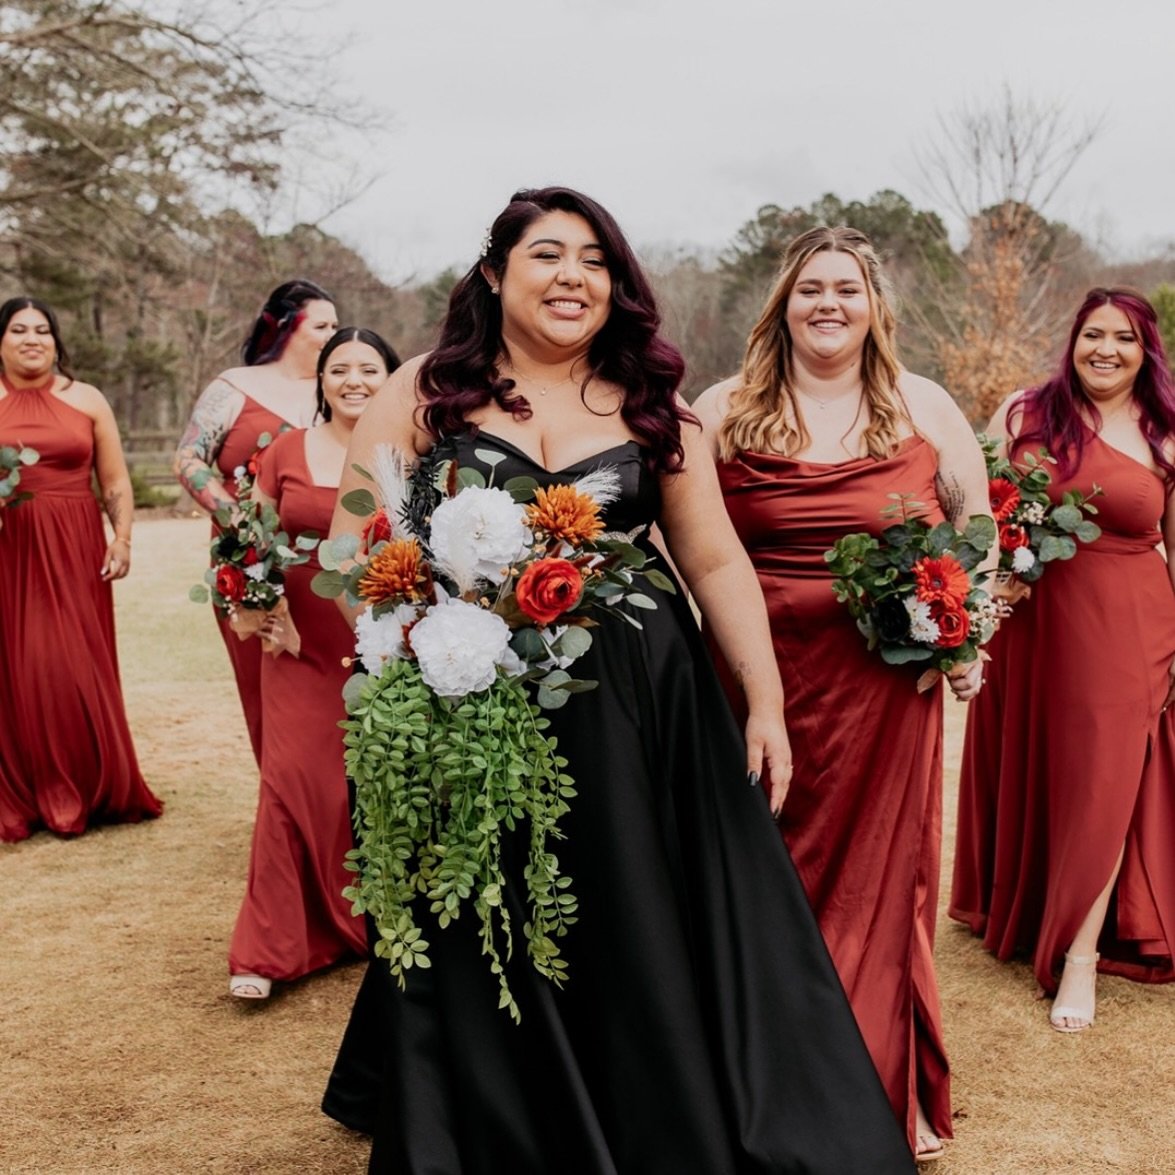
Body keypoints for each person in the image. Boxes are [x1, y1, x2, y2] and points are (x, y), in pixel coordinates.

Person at [320, 188, 915, 1173]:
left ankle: (650, 1114)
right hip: (477, 699)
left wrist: (763, 701)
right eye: (547, 254)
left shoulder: (649, 400)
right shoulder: (424, 390)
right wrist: (418, 646)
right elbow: (353, 544)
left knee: (633, 908)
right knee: (497, 909)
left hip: (642, 702)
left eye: (594, 260)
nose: (573, 277)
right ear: (493, 273)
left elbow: (713, 559)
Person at [693, 226, 992, 1162]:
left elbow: (976, 534)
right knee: (758, 875)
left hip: (882, 688)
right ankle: (760, 1089)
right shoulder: (723, 409)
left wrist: (964, 634)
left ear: (874, 307)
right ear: (781, 303)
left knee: (880, 883)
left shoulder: (923, 405)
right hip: (751, 678)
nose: (828, 303)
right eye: (810, 287)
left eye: (846, 288)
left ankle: (882, 1090)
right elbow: (679, 546)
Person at [950, 287, 1175, 1031]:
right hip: (1031, 624)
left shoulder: (1164, 433)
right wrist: (979, 598)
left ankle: (1079, 955)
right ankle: (1022, 909)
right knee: (1039, 764)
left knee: (1105, 781)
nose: (1105, 349)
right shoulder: (1024, 414)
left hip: (1129, 628)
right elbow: (978, 512)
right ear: (1072, 341)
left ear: (1146, 351)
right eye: (1092, 334)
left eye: (1124, 337)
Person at [228, 327, 401, 1000]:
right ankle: (268, 946)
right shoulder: (285, 450)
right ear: (321, 381)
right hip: (295, 639)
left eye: (369, 368)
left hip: (375, 635)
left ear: (390, 378)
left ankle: (360, 918)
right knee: (291, 779)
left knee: (362, 779)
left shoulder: (407, 456)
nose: (354, 380)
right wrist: (259, 602)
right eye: (340, 369)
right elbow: (251, 540)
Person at [0, 296, 161, 841]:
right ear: (0, 341)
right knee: (19, 664)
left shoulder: (87, 399)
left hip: (74, 544)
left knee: (71, 662)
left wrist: (123, 538)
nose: (32, 339)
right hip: (10, 547)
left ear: (56, 341)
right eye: (18, 329)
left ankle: (83, 784)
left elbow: (113, 481)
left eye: (42, 330)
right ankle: (22, 789)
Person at [174, 280, 338, 765]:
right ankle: (278, 791)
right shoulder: (234, 386)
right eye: (322, 325)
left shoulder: (338, 389)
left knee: (325, 678)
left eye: (336, 325)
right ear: (286, 326)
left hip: (319, 555)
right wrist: (239, 521)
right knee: (261, 678)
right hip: (247, 558)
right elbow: (188, 457)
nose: (334, 334)